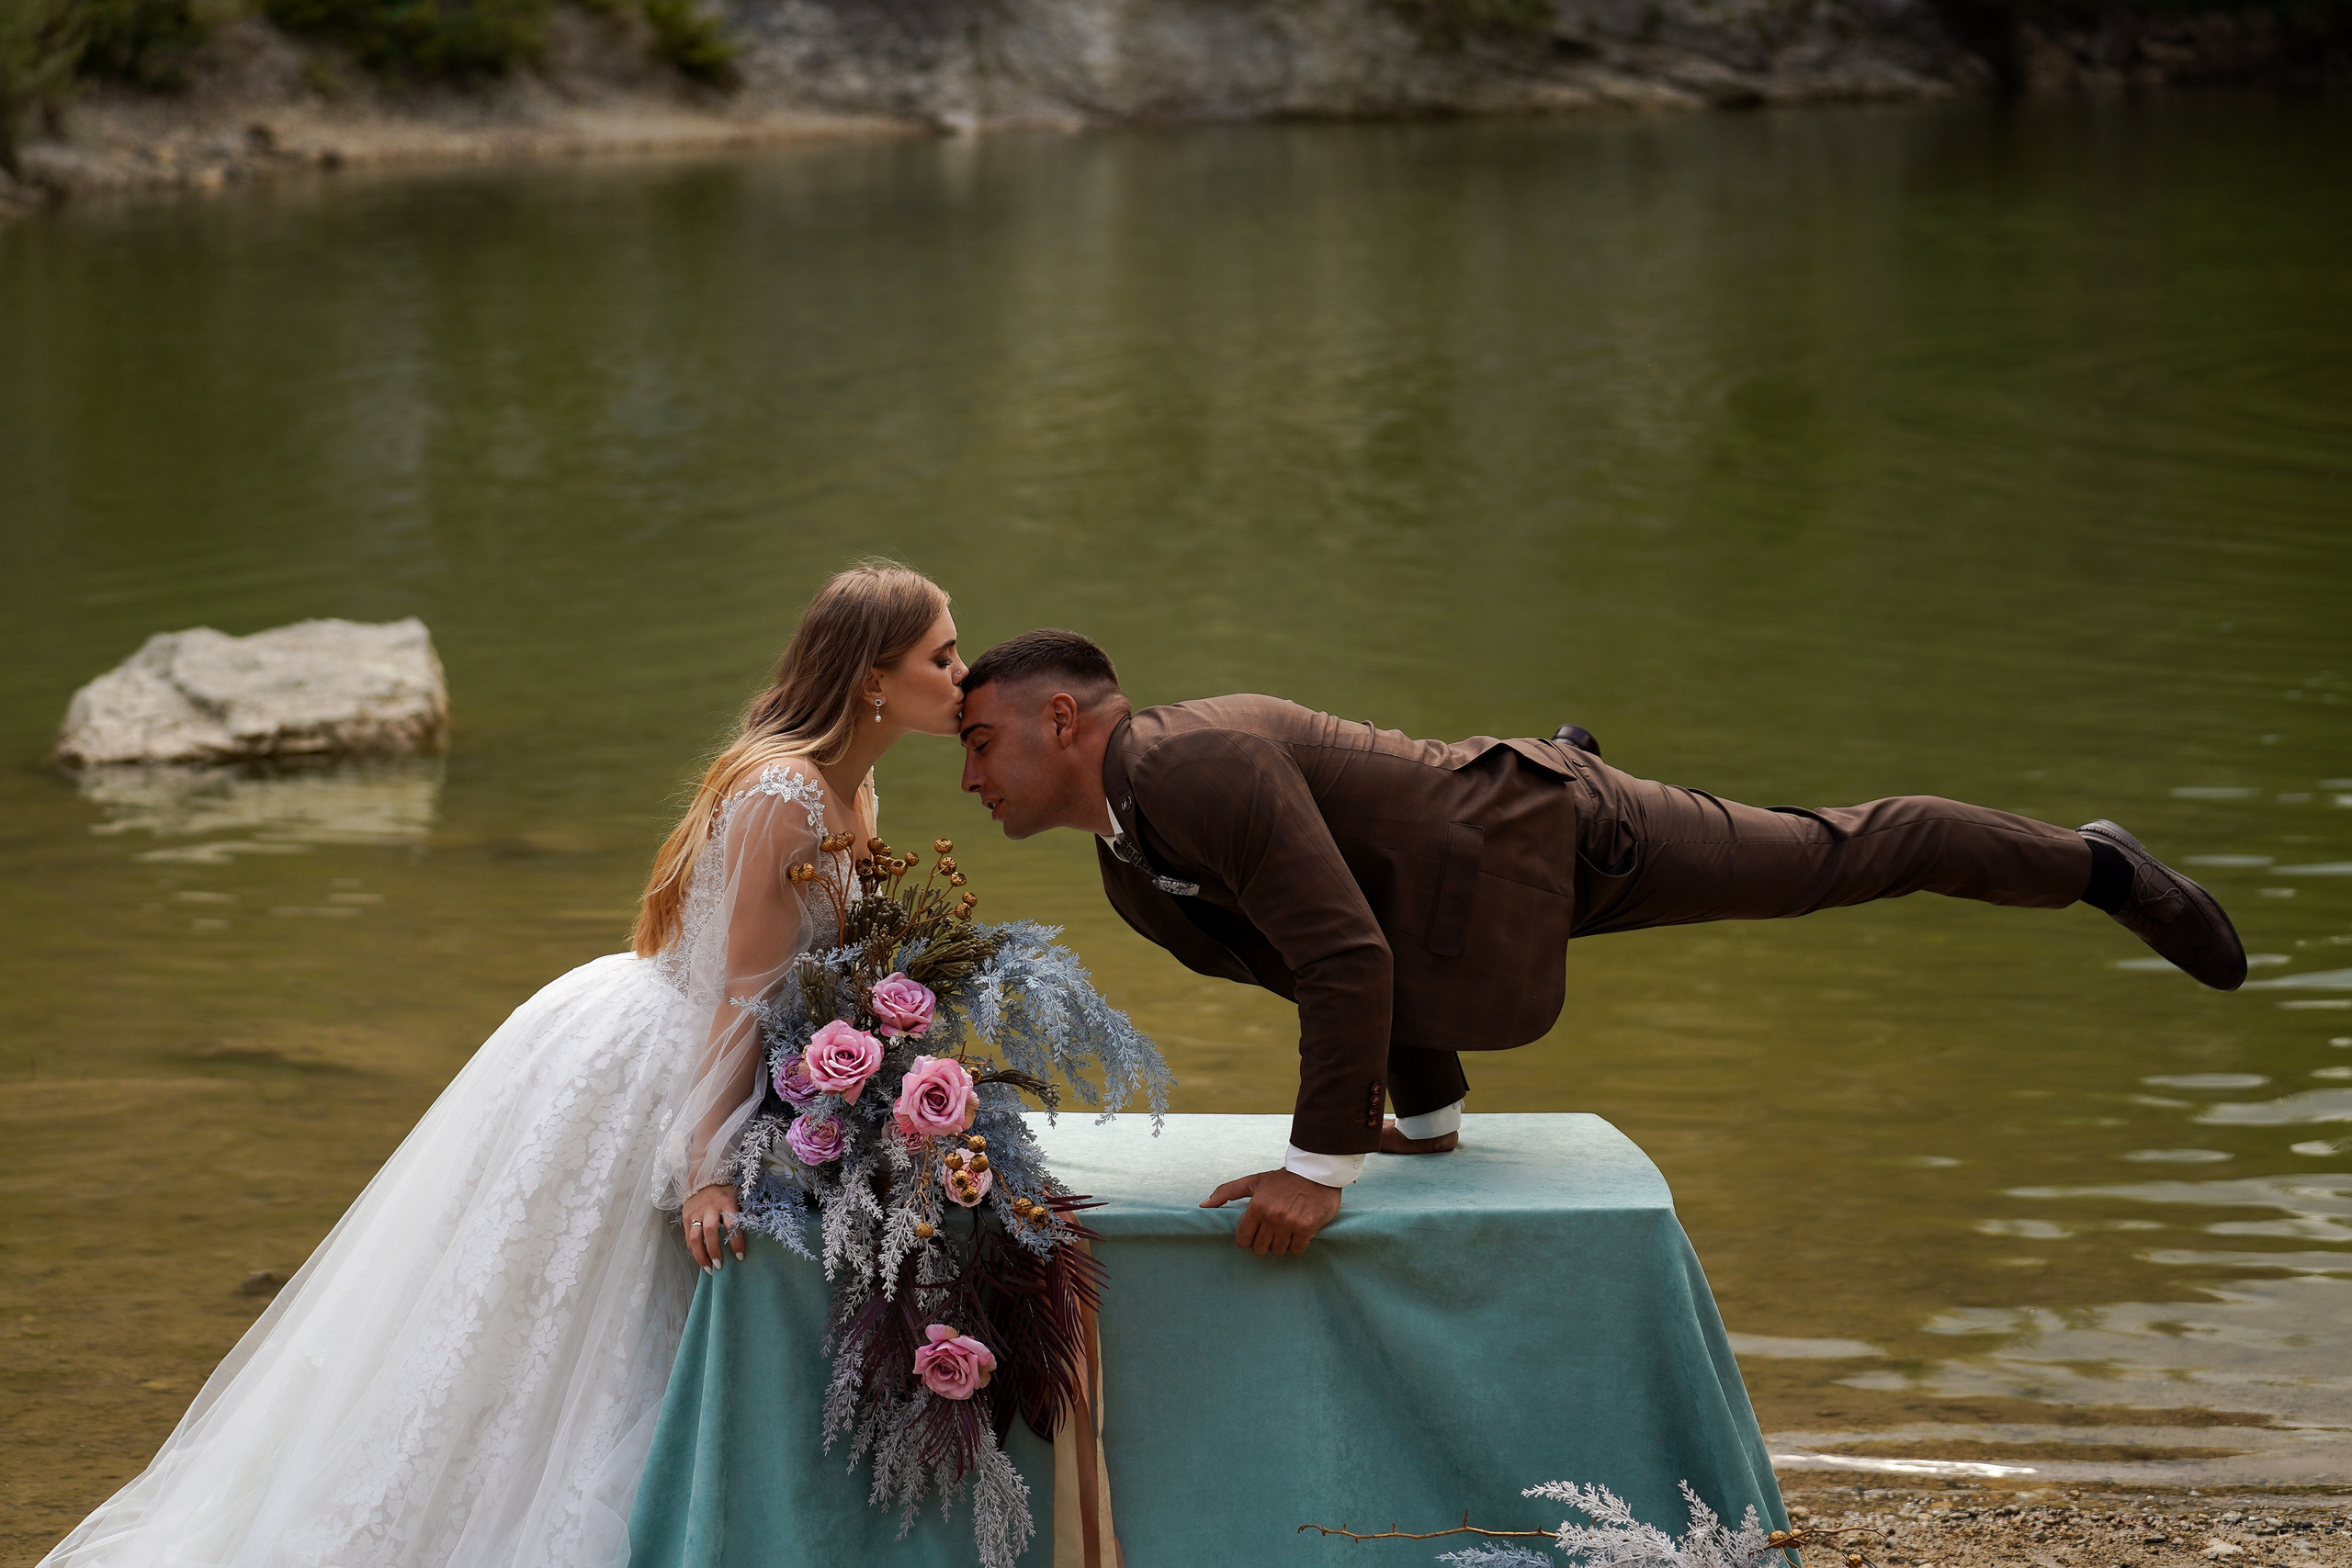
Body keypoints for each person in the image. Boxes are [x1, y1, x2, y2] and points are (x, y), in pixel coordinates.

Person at [38, 562, 967, 1568]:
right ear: (873, 679)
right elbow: (742, 992)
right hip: (654, 1057)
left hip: (723, 1056)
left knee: (618, 1326)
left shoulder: (855, 787)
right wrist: (704, 1165)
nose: (963, 675)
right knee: (546, 1322)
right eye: (944, 656)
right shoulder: (782, 793)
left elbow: (805, 982)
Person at [954, 628, 2246, 1261]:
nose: (967, 776)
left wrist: (1317, 1169)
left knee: (1831, 856)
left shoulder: (1191, 765)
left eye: (978, 741)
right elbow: (1334, 950)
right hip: (1472, 881)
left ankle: (2099, 865)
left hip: (1566, 837)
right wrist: (1428, 1124)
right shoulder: (1131, 854)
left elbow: (1346, 955)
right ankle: (1562, 748)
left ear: (1062, 719)